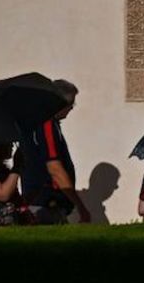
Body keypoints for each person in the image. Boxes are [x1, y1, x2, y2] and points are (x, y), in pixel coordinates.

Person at [17, 79, 91, 224]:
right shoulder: (47, 124)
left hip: (35, 200)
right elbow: (54, 168)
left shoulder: (32, 122)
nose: (72, 108)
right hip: (47, 203)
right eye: (71, 104)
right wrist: (80, 206)